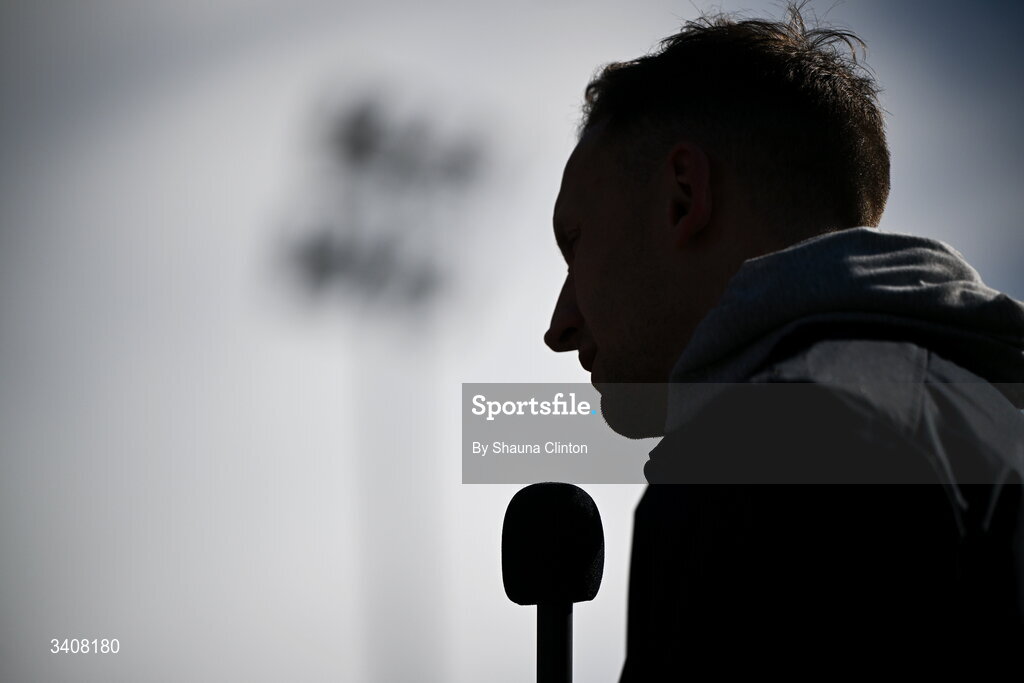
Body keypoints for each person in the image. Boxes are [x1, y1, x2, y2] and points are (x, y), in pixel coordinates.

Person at [542, 4, 1024, 673]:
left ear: (683, 197)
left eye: (576, 245)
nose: (558, 328)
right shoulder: (988, 418)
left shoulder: (764, 448)